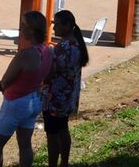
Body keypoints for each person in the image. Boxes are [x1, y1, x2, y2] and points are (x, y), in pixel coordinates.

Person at [0, 11, 53, 167]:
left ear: (31, 30)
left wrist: (2, 85)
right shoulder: (48, 51)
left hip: (16, 103)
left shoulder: (25, 54)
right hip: (34, 101)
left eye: (23, 25)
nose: (20, 28)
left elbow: (7, 79)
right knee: (25, 144)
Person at [42, 10, 89, 167]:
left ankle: (53, 164)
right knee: (63, 129)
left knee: (52, 135)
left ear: (67, 26)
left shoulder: (62, 48)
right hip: (69, 97)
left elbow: (48, 75)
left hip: (55, 99)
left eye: (57, 24)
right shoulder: (77, 44)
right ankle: (65, 162)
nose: (54, 28)